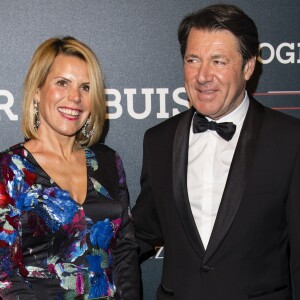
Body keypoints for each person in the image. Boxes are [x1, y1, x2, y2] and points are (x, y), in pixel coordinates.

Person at [132, 4, 300, 300]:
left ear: (248, 66)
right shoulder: (158, 141)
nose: (203, 76)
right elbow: (143, 231)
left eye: (219, 61)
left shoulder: (290, 140)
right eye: (193, 60)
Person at [0, 36, 140, 300]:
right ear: (38, 91)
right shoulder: (9, 169)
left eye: (86, 87)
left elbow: (124, 250)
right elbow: (4, 276)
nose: (75, 97)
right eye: (62, 82)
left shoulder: (108, 162)